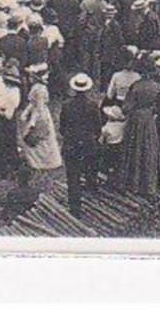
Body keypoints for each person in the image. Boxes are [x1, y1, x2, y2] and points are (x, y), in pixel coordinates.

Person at [59, 73, 100, 217]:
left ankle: (75, 209)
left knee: (73, 177)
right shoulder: (93, 105)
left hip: (71, 144)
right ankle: (93, 202)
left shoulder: (66, 105)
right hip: (88, 144)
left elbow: (62, 128)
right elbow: (97, 127)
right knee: (90, 172)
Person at [18, 81, 63, 174]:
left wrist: (31, 119)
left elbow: (38, 106)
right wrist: (33, 120)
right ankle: (39, 162)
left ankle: (43, 162)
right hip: (39, 114)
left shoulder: (39, 87)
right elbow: (38, 106)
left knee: (43, 136)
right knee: (38, 136)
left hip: (40, 113)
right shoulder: (39, 88)